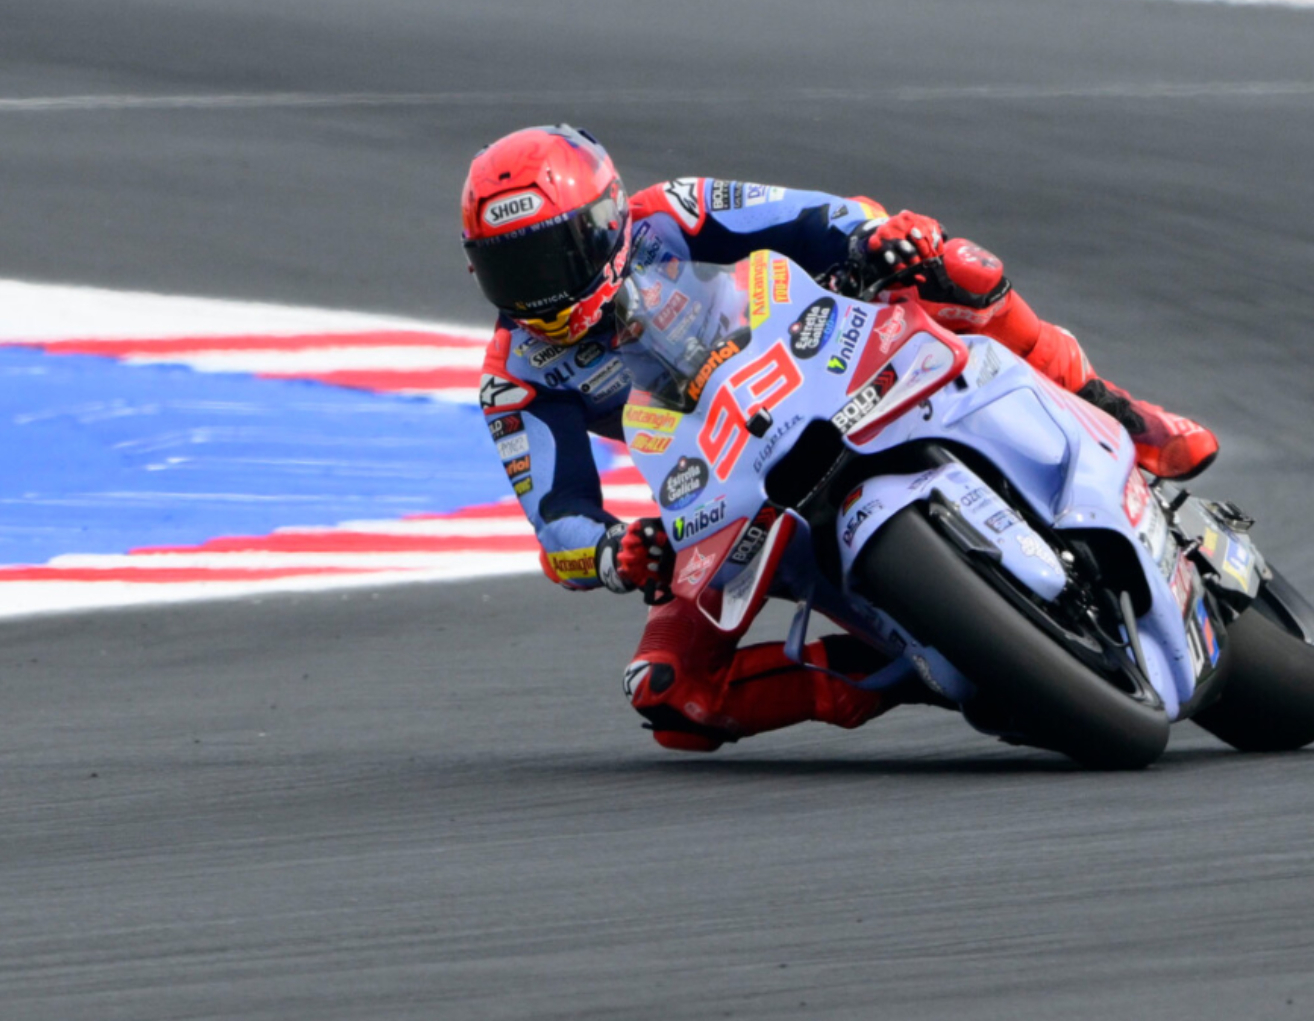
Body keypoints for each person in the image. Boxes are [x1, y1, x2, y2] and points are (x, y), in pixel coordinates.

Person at [460, 124, 1217, 752]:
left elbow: (816, 217)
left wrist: (879, 241)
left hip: (820, 360)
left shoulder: (676, 211)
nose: (534, 292)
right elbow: (556, 517)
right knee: (669, 695)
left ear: (604, 221)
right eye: (506, 270)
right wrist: (611, 552)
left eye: (544, 257)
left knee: (957, 267)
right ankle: (908, 666)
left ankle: (1114, 410)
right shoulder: (517, 377)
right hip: (725, 477)